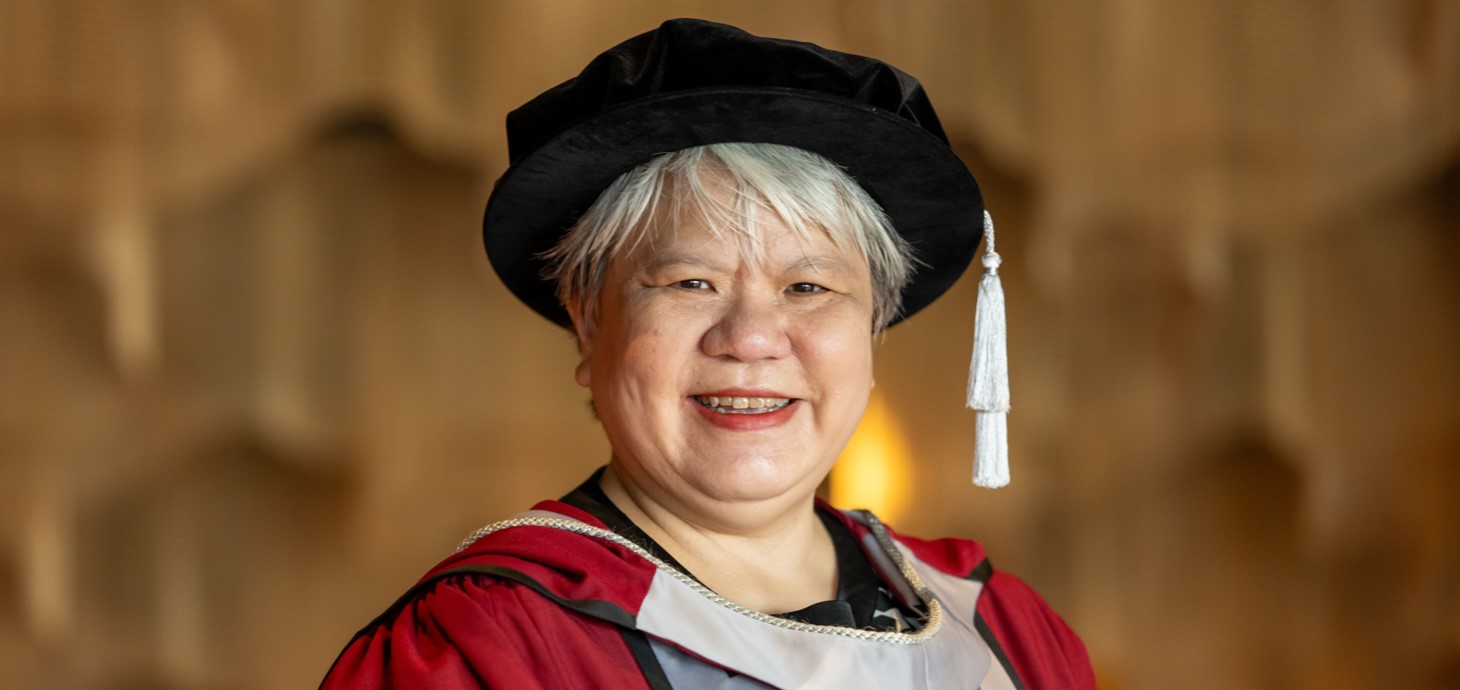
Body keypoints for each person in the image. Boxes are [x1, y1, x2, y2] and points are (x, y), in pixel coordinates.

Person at [321, 18, 1095, 689]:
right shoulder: (484, 650)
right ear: (590, 325)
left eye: (808, 287)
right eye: (690, 281)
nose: (751, 339)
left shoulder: (1001, 630)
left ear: (874, 328)